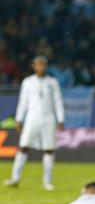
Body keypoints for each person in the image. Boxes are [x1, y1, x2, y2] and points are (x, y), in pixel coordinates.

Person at [5, 56, 65, 191]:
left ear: (47, 66)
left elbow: (58, 101)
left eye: (44, 65)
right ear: (34, 66)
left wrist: (60, 119)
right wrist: (19, 119)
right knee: (23, 146)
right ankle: (15, 178)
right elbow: (23, 102)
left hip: (48, 118)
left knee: (49, 149)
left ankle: (47, 182)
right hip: (32, 118)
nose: (41, 67)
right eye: (39, 65)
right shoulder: (28, 82)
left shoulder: (52, 82)